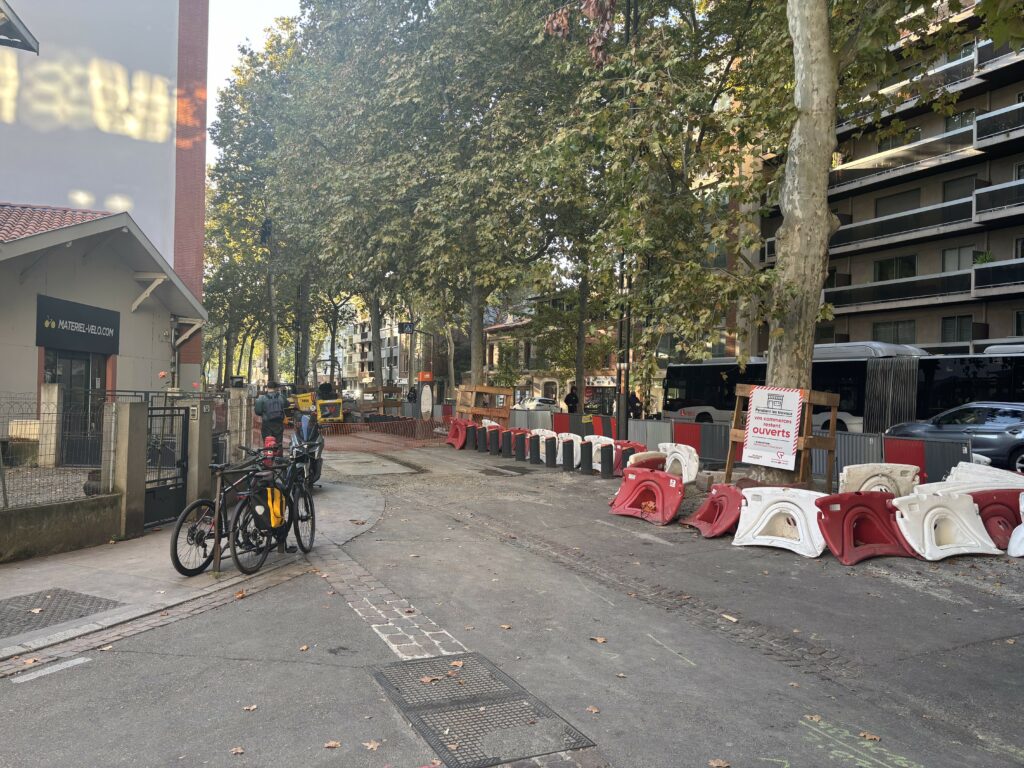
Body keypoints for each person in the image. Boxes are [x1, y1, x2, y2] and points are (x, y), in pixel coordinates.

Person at [254, 381, 286, 448]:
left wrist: (264, 413)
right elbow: (287, 405)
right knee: (278, 443)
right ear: (276, 388)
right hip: (278, 423)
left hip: (267, 423)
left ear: (267, 387)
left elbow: (257, 411)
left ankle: (268, 453)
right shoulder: (281, 397)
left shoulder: (261, 398)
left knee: (267, 442)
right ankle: (278, 453)